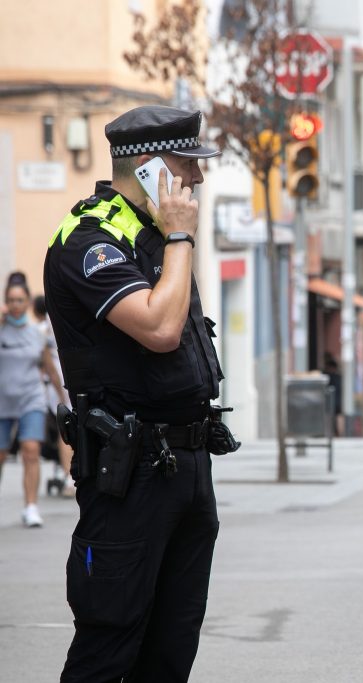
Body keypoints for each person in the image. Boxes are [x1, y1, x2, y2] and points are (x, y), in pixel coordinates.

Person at [44, 105, 235, 682]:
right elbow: (158, 328)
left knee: (171, 649)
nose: (197, 180)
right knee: (109, 645)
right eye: (186, 166)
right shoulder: (91, 240)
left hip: (187, 464)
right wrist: (179, 234)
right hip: (130, 476)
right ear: (151, 169)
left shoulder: (156, 238)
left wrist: (173, 237)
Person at [0, 276, 67, 526]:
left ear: (28, 302)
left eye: (20, 300)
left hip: (31, 399)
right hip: (3, 402)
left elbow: (49, 368)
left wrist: (62, 399)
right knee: (1, 454)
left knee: (31, 451)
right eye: (11, 300)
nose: (15, 305)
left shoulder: (36, 334)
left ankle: (30, 507)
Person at [32, 293, 75, 497]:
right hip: (61, 381)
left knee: (66, 429)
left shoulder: (47, 323)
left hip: (61, 380)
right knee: (67, 429)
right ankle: (69, 476)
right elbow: (47, 360)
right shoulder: (54, 320)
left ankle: (69, 475)